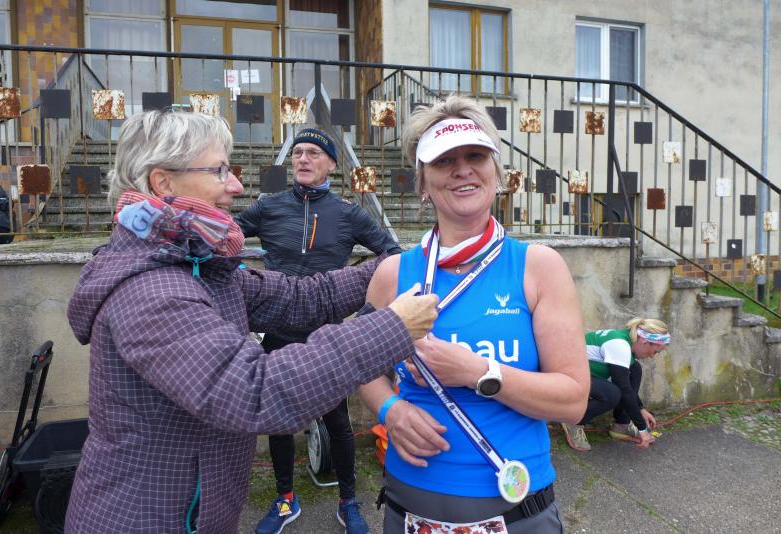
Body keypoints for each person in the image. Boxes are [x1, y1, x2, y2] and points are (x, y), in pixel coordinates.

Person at [63, 109, 438, 534]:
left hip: (195, 515)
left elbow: (303, 298)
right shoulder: (153, 289)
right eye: (219, 171)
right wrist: (391, 327)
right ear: (163, 182)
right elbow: (256, 393)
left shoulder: (195, 265)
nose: (236, 186)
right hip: (144, 521)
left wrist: (408, 263)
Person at [359, 95, 590, 533]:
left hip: (517, 510)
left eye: (476, 156)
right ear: (423, 182)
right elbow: (363, 368)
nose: (462, 169)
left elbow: (574, 401)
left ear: (496, 172)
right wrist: (391, 409)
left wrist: (478, 372)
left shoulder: (538, 267)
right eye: (445, 160)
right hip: (410, 506)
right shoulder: (392, 274)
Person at [236, 128, 402, 534]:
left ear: (330, 164)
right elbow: (222, 241)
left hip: (326, 335)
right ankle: (285, 498)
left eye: (313, 153)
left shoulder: (348, 213)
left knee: (337, 422)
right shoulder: (269, 206)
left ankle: (349, 501)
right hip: (279, 330)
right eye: (298, 153)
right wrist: (240, 275)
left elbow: (392, 254)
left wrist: (367, 308)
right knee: (278, 421)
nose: (303, 159)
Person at [562, 318, 670, 452]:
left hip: (585, 373)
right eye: (655, 351)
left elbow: (625, 385)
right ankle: (574, 421)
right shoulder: (619, 345)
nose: (653, 356)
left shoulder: (627, 341)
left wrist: (640, 409)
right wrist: (642, 428)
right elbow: (624, 389)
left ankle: (622, 424)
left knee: (635, 369)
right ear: (644, 342)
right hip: (567, 374)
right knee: (612, 394)